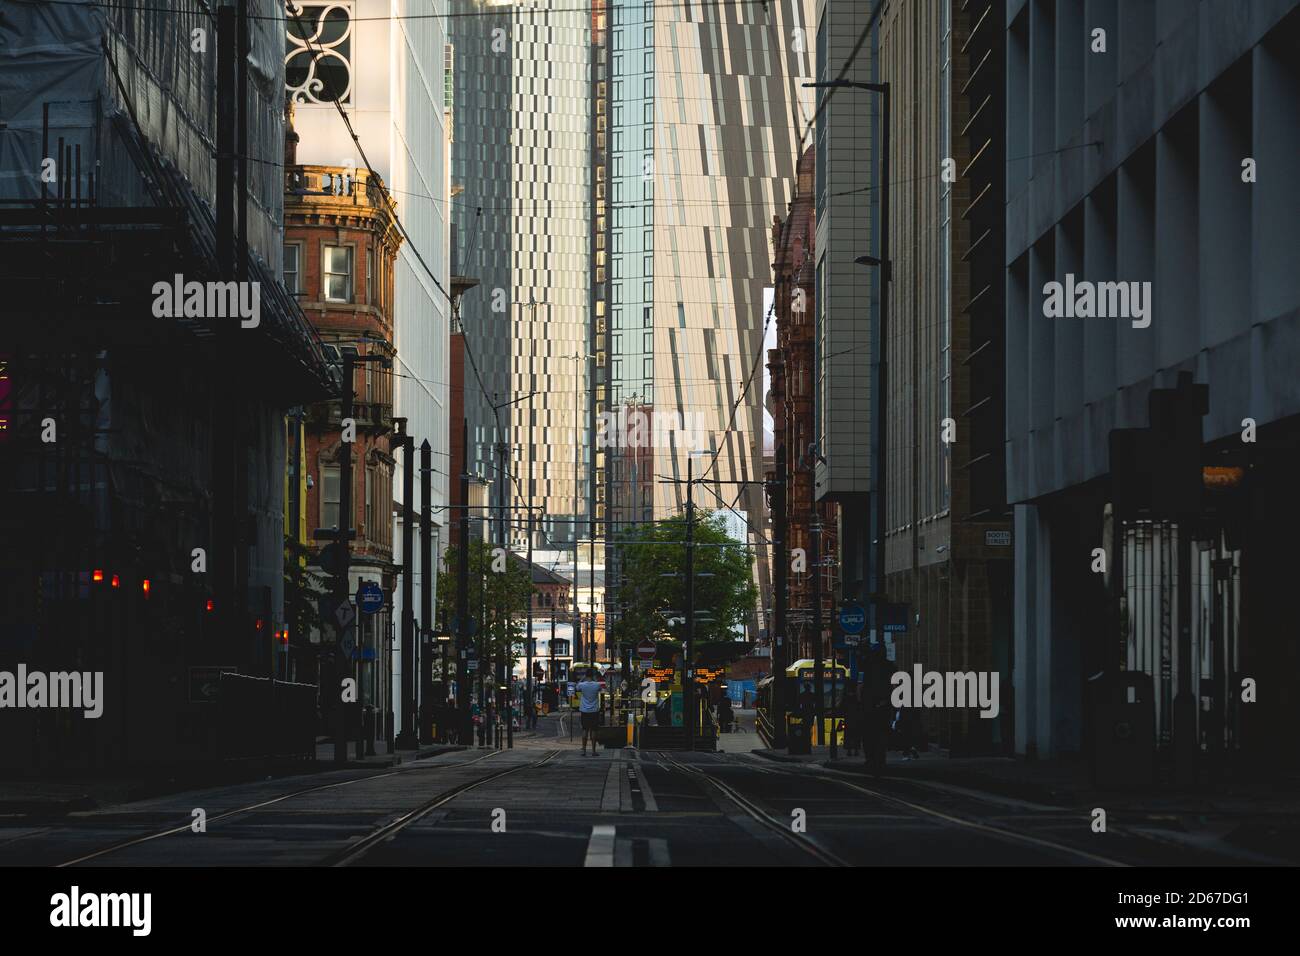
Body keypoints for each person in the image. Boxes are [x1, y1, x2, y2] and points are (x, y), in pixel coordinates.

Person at [576, 669, 603, 755]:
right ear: (593, 676)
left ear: (586, 675)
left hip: (584, 711)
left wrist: (582, 678)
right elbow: (600, 689)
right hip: (594, 711)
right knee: (594, 731)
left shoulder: (582, 685)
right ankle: (593, 751)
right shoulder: (597, 685)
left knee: (585, 730)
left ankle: (584, 750)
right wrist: (594, 679)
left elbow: (576, 687)